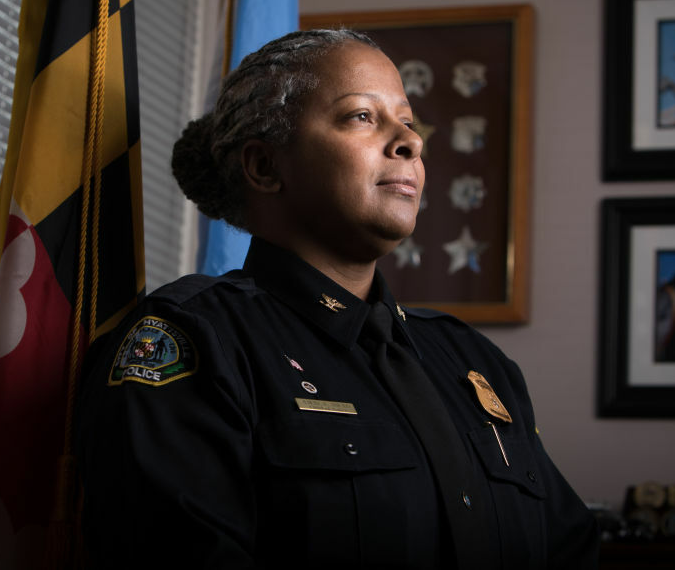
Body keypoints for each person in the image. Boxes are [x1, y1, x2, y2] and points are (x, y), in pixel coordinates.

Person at [75, 29, 599, 568]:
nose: (411, 142)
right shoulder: (196, 341)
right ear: (264, 167)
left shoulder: (476, 361)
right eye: (362, 116)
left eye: (408, 121)